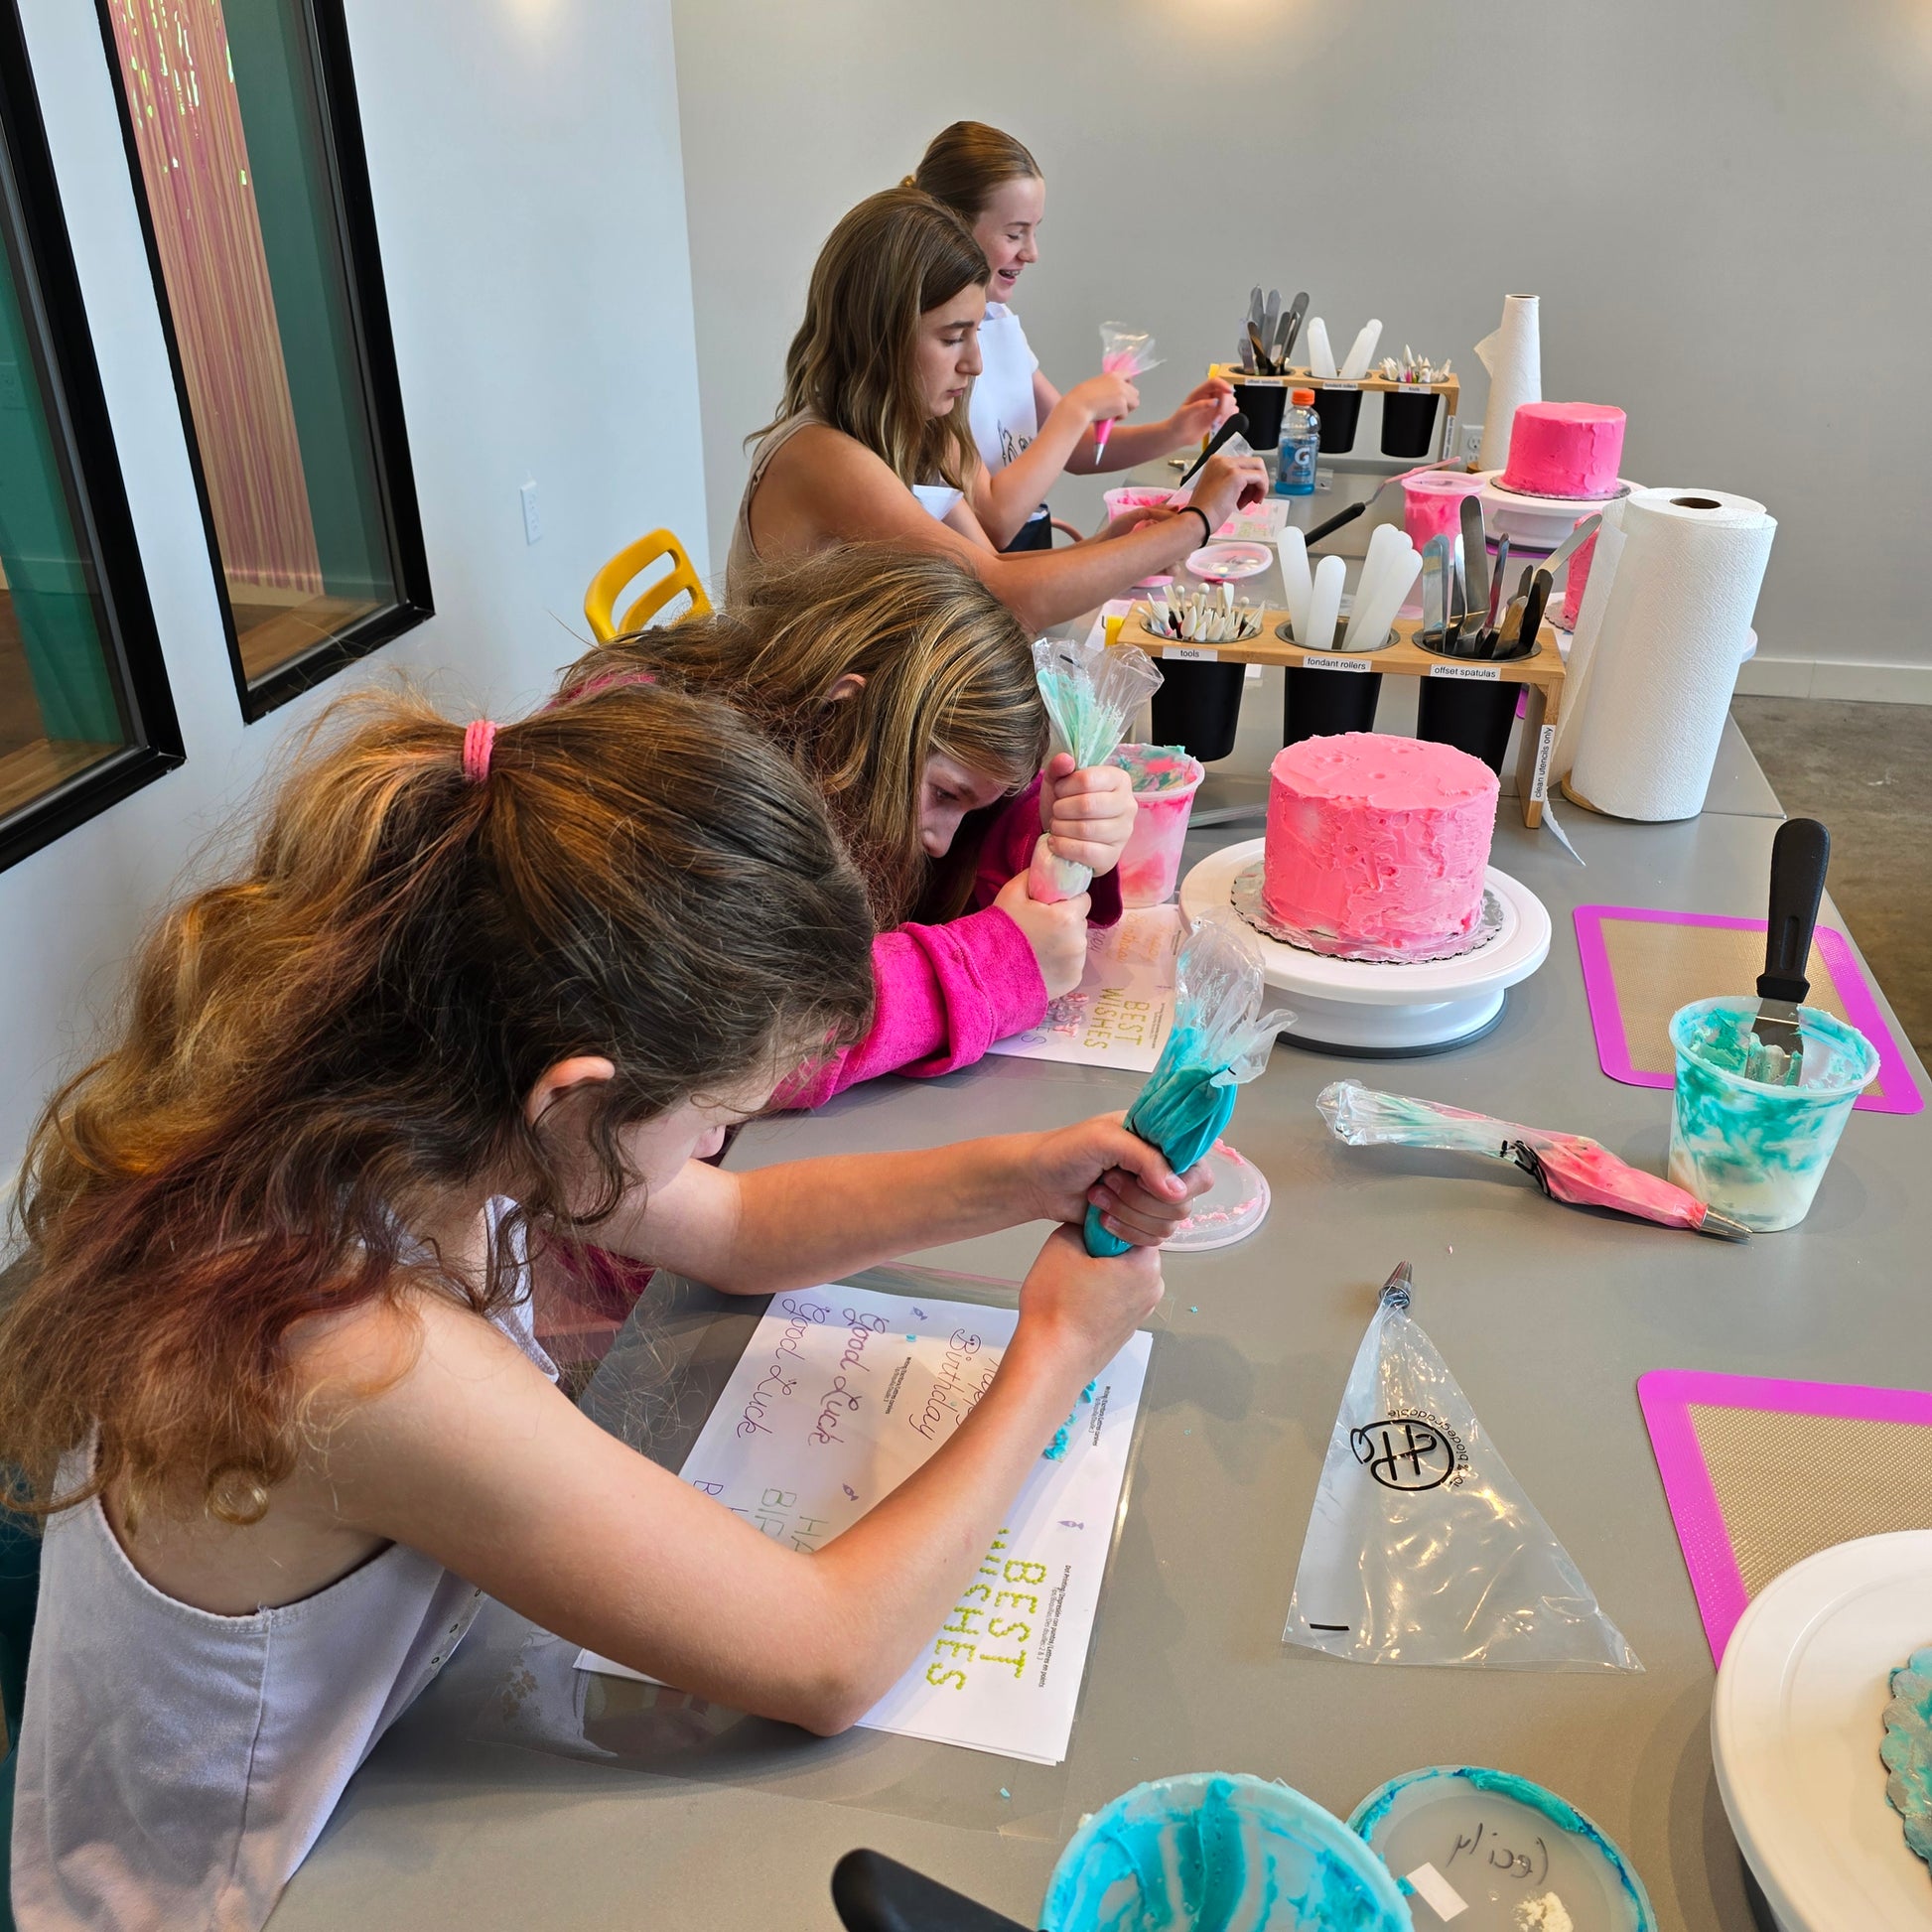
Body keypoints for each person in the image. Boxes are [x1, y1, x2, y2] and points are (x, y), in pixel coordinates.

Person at [0, 683, 1205, 1929]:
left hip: (380, 1756)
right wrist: (1057, 1346)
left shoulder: (434, 1076)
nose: (725, 1139)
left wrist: (1017, 1173)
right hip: (238, 1894)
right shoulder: (352, 1348)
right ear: (576, 1097)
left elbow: (733, 1229)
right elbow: (828, 1652)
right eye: (716, 1113)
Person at [560, 546, 1136, 1107]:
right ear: (839, 710)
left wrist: (1045, 831)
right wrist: (994, 963)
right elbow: (748, 1048)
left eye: (973, 811)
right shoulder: (672, 778)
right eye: (943, 794)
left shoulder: (811, 737)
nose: (939, 844)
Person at [730, 187, 1266, 628]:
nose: (975, 364)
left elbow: (985, 567)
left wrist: (1108, 547)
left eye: (976, 333)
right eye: (952, 338)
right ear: (877, 338)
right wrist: (1198, 519)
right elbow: (1001, 597)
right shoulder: (824, 457)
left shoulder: (907, 432)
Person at [911, 120, 1236, 551]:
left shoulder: (1000, 321)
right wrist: (1079, 407)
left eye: (1034, 230)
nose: (1032, 252)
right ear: (950, 226)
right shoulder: (921, 365)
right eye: (1014, 233)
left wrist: (1176, 430)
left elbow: (1076, 449)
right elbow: (996, 524)